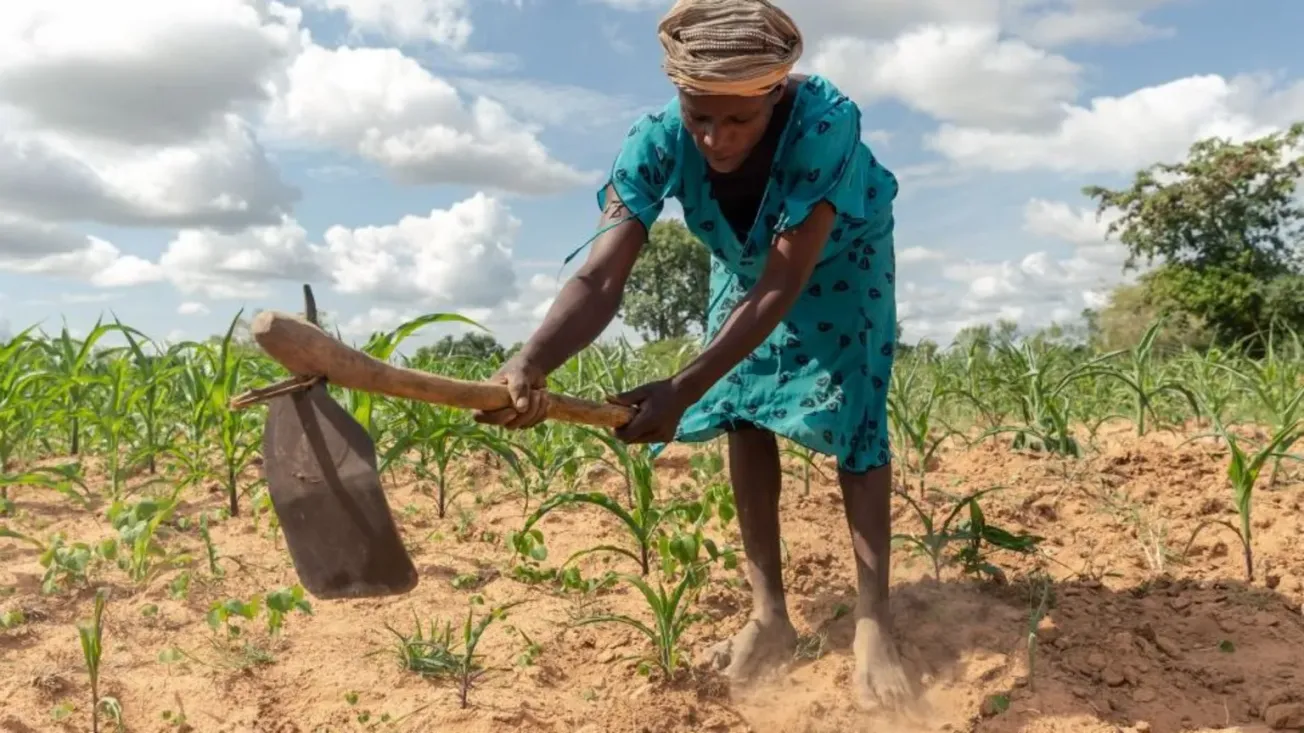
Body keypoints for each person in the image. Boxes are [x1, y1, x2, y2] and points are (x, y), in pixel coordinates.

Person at [472, 0, 911, 709]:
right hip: (743, 263)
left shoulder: (824, 124)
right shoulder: (653, 141)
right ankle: (769, 614)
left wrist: (681, 386)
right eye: (698, 116)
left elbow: (780, 287)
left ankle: (872, 621)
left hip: (837, 259)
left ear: (774, 91)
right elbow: (601, 275)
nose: (714, 137)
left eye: (738, 118)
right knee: (740, 409)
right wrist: (532, 361)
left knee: (856, 410)